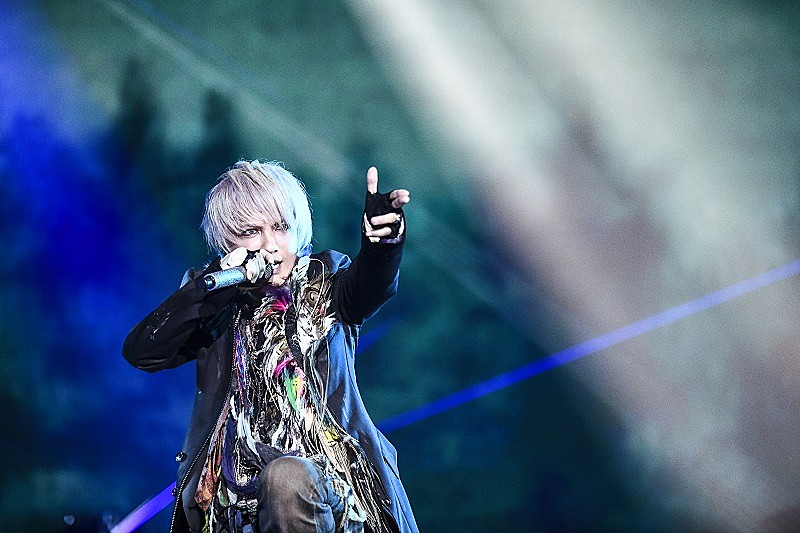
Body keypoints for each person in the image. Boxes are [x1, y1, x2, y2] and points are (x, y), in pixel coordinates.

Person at [123, 161, 418, 533]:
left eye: (280, 227)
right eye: (251, 232)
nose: (271, 246)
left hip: (330, 489)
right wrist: (210, 287)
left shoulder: (326, 282)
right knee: (275, 484)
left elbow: (371, 284)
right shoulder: (216, 305)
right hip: (235, 501)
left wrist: (381, 246)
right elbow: (143, 352)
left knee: (286, 478)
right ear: (228, 242)